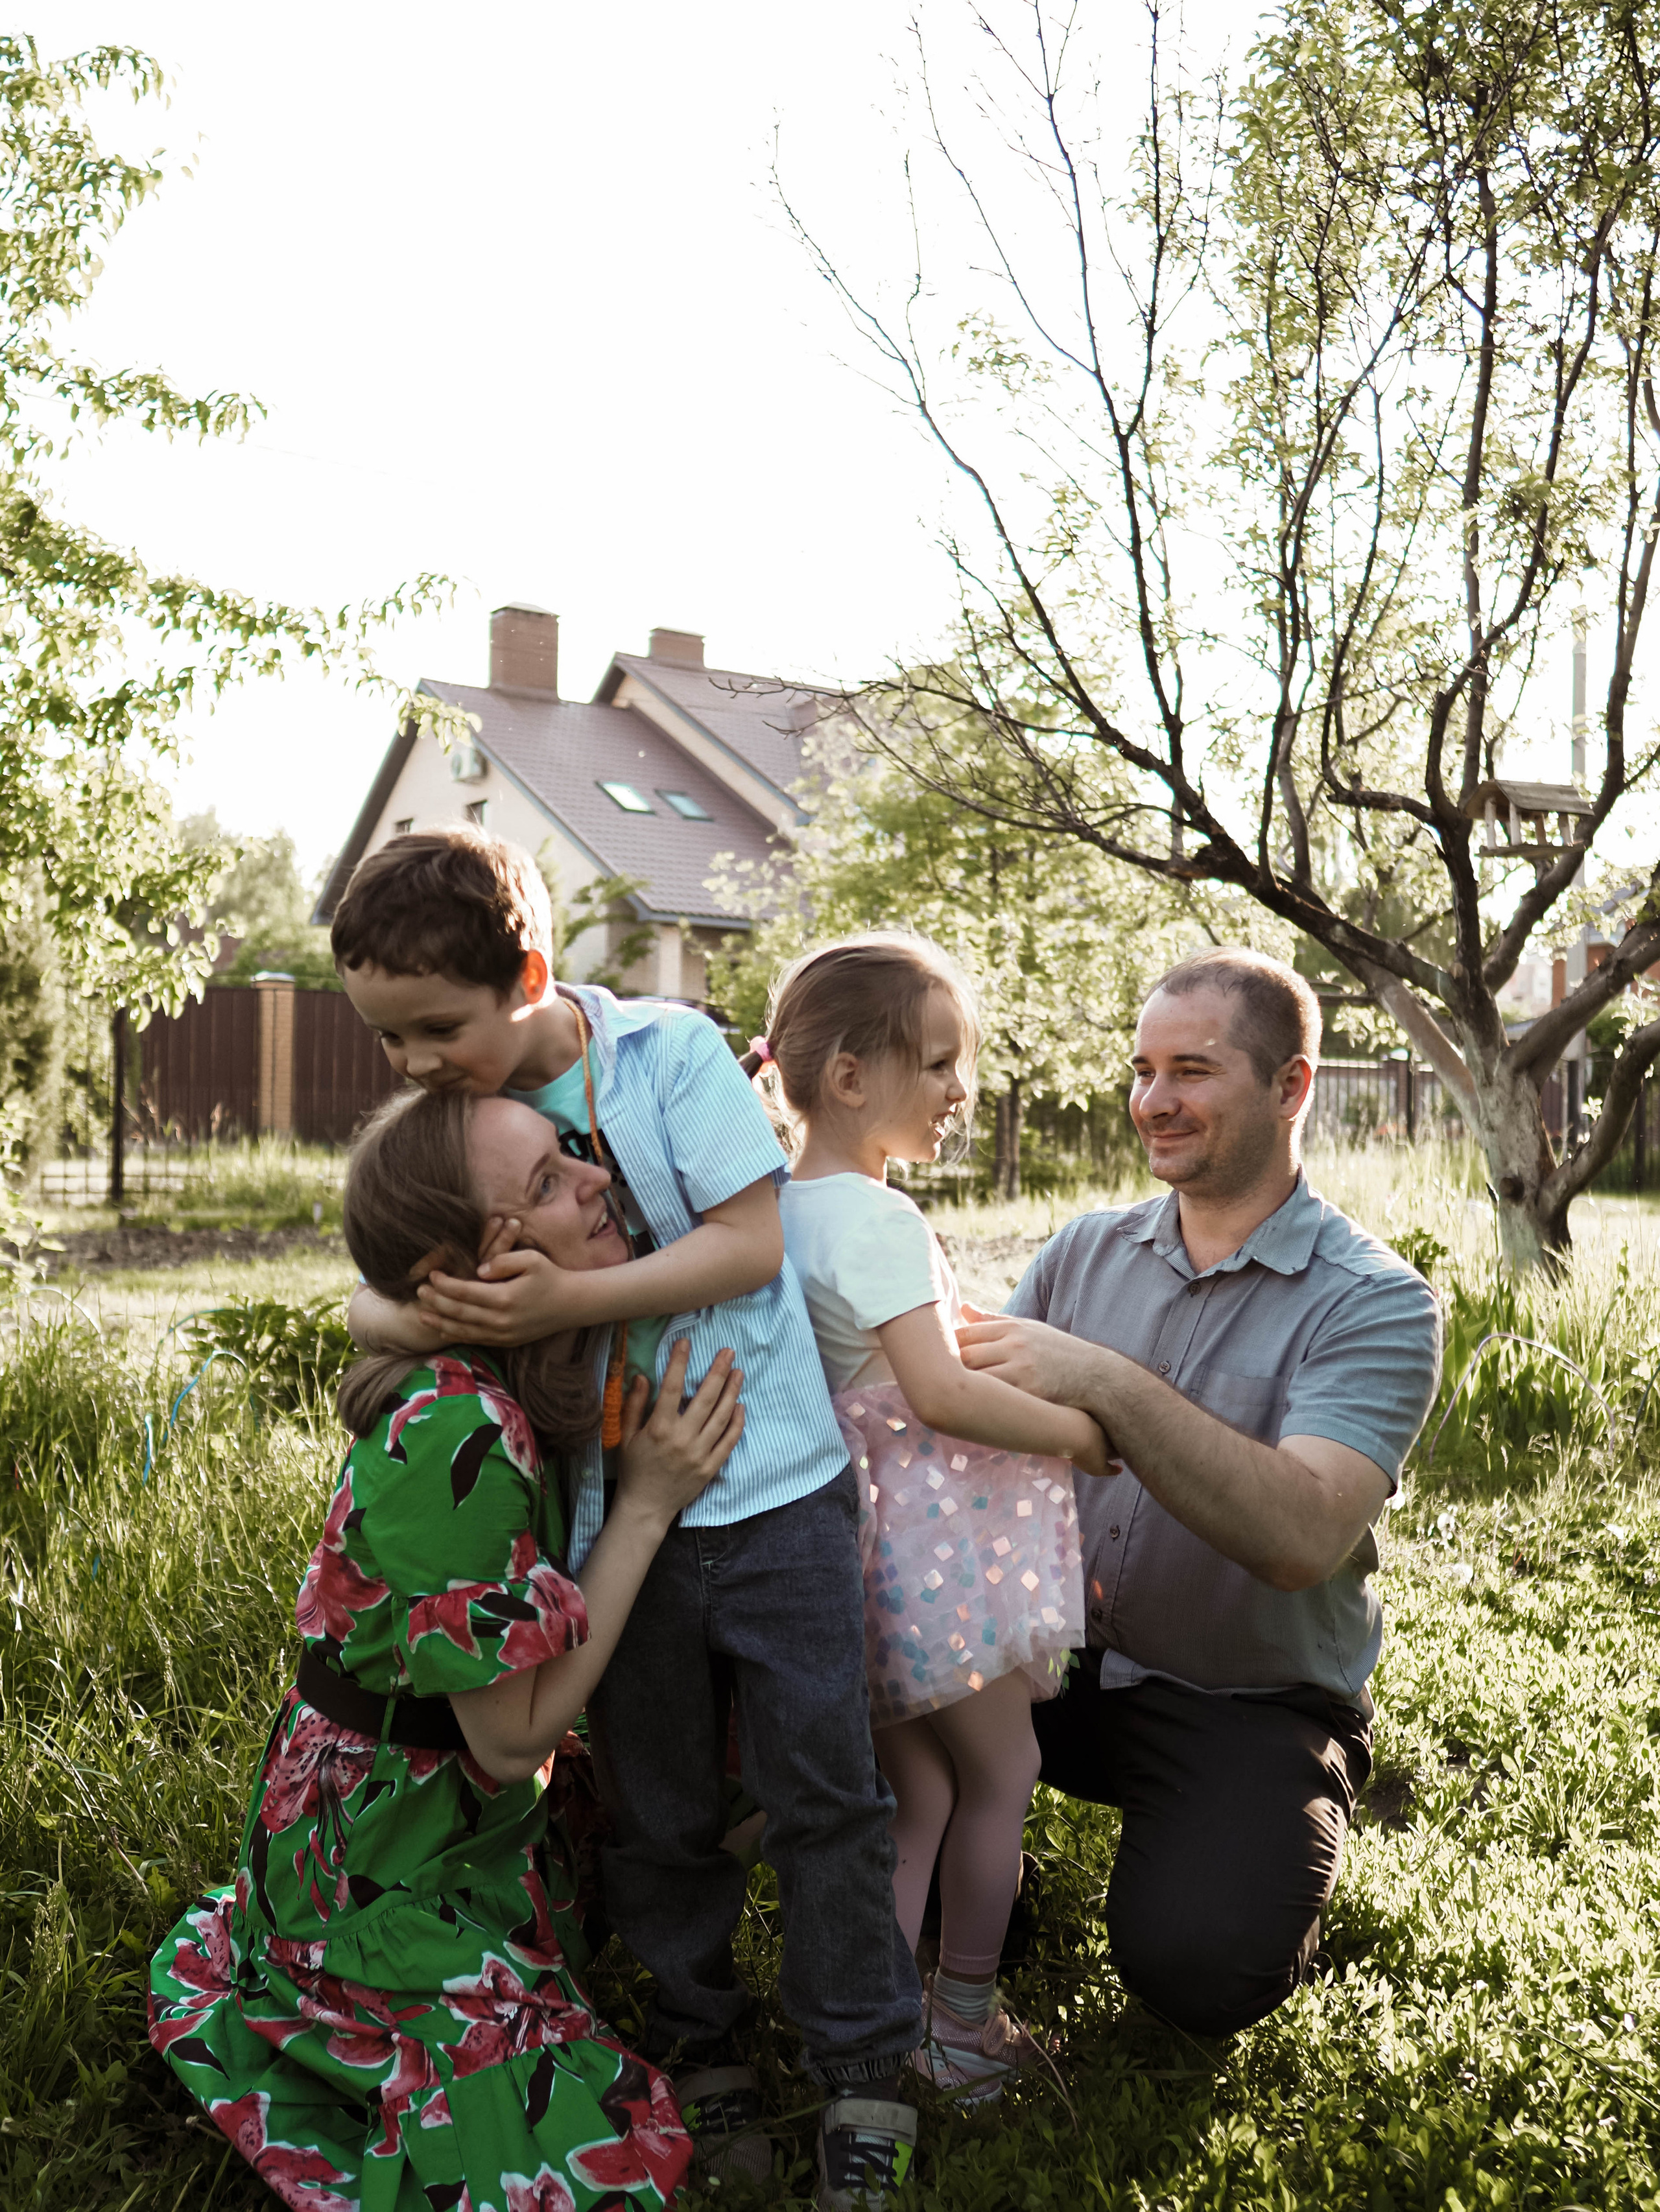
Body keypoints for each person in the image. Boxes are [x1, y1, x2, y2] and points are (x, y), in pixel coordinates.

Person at [329, 830, 923, 2212]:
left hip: (774, 1488)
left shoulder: (665, 1055)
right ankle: (700, 2042)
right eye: (388, 1037)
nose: (412, 1061)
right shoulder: (456, 1129)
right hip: (608, 1515)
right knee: (659, 1806)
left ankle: (864, 2063)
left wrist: (567, 1302)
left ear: (529, 977)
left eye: (436, 1028)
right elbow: (373, 1290)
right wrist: (405, 1319)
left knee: (824, 1790)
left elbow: (750, 1243)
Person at [150, 1085, 748, 2211]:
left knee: (728, 1775)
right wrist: (648, 1504)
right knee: (559, 2152)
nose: (599, 1180)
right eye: (549, 1183)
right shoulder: (455, 1427)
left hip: (458, 1803)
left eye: (572, 1153)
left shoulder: (525, 1360)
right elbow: (512, 1743)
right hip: (386, 1847)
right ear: (475, 1269)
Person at [956, 948, 1443, 2038]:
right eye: (1143, 1071)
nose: (1153, 1101)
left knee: (1201, 1965)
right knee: (875, 1756)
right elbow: (970, 1432)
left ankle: (1256, 1844)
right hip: (1046, 1659)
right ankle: (985, 1886)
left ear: (1291, 1085)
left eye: (1192, 1070)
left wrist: (1103, 1381)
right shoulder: (1084, 1252)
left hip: (1244, 1696)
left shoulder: (1376, 1301)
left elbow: (1301, 1535)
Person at [752, 934, 1103, 2103]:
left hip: (849, 1549)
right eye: (941, 1064)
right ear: (851, 1077)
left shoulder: (774, 1210)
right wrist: (1079, 1431)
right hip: (934, 1550)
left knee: (921, 1795)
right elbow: (939, 1392)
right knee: (1005, 1770)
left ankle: (872, 2032)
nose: (962, 1090)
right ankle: (960, 2025)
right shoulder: (877, 1219)